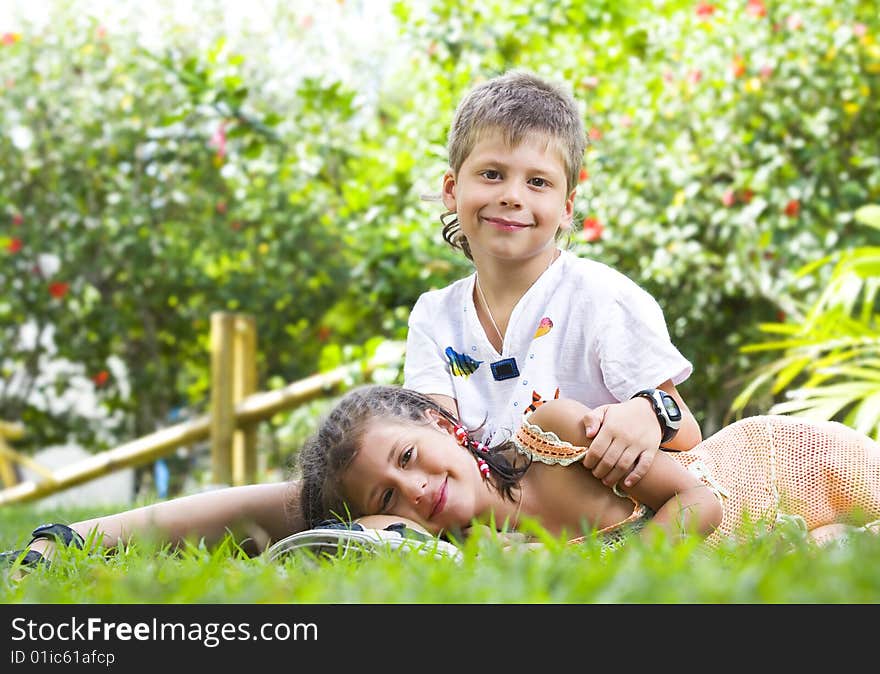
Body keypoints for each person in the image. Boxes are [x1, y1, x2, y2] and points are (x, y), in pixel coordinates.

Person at [405, 69, 701, 492]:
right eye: (491, 174)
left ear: (566, 206)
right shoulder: (435, 317)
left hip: (598, 504)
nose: (512, 195)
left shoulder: (601, 297)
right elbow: (435, 440)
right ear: (452, 189)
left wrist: (648, 414)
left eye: (538, 182)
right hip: (488, 507)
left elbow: (685, 427)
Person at [298, 385, 880, 549]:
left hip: (778, 468)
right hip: (767, 545)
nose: (415, 490)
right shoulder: (486, 559)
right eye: (386, 500)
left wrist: (633, 581)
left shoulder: (549, 435)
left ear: (445, 426)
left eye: (407, 458)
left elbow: (699, 502)